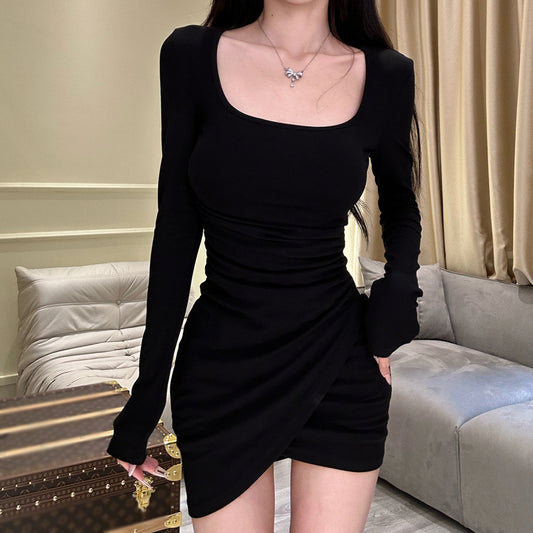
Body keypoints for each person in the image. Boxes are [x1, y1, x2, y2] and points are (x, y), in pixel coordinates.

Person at [107, 0, 424, 531]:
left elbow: (400, 200)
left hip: (338, 357)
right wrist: (146, 396)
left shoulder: (387, 74)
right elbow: (176, 230)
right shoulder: (190, 54)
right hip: (222, 367)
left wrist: (396, 295)